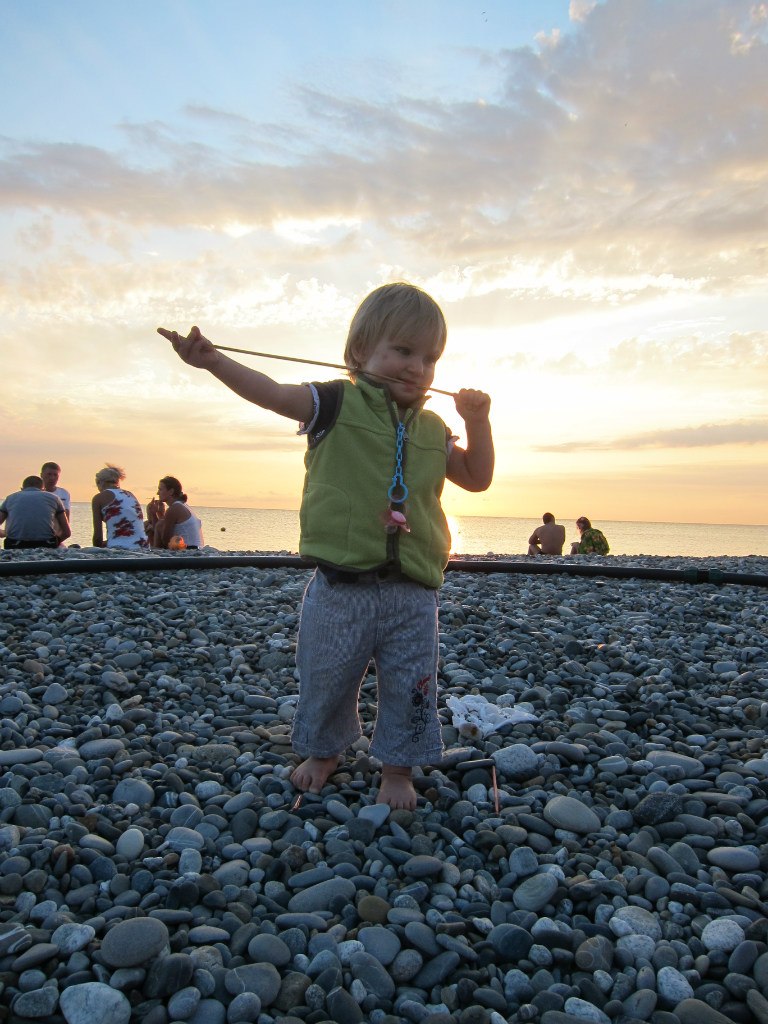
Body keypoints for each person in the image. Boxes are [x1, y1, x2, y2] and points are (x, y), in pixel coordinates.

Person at [160, 282, 494, 809]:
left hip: (413, 591)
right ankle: (324, 751)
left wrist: (478, 422)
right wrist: (214, 362)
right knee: (327, 674)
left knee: (412, 683)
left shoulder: (435, 428)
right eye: (402, 350)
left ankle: (398, 770)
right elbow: (272, 392)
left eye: (430, 358)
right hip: (340, 585)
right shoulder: (334, 402)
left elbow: (476, 478)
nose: (417, 367)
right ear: (360, 351)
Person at [0, 476, 71, 549]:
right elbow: (67, 533)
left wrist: (5, 533)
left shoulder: (10, 498)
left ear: (22, 489)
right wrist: (55, 543)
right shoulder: (55, 498)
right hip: (46, 544)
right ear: (44, 489)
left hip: (14, 544)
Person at [91, 465, 149, 549]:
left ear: (100, 482)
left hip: (119, 549)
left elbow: (97, 537)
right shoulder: (130, 495)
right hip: (143, 546)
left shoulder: (99, 498)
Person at [146, 476, 204, 549]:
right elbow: (164, 531)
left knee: (152, 525)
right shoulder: (182, 505)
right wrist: (159, 514)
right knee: (154, 524)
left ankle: (152, 553)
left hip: (188, 550)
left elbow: (165, 540)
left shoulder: (174, 508)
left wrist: (153, 515)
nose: (157, 493)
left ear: (171, 491)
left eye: (160, 489)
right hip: (196, 548)